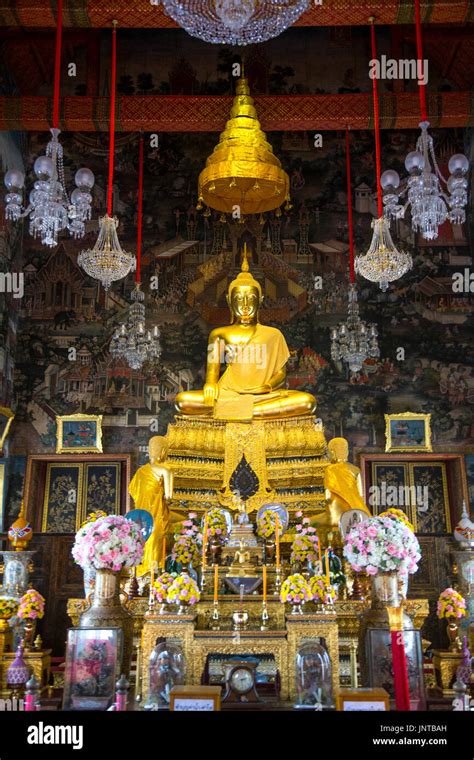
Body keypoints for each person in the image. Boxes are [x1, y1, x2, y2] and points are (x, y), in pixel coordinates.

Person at [175, 245, 316, 421]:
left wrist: (267, 387)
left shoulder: (273, 334)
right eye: (239, 299)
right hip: (228, 393)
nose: (245, 305)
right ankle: (247, 412)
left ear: (260, 300)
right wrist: (210, 385)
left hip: (263, 396)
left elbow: (280, 374)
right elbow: (212, 373)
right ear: (229, 300)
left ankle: (234, 412)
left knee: (306, 402)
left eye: (251, 299)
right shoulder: (219, 334)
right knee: (184, 401)